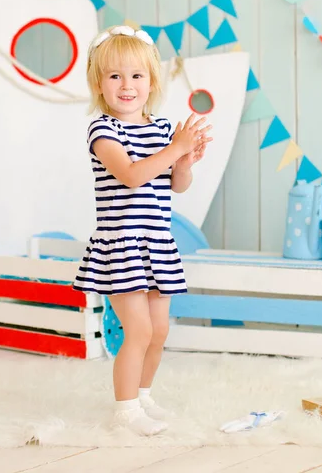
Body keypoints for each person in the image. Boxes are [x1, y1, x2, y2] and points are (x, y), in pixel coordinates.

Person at [73, 25, 212, 436]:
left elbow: (176, 184)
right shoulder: (104, 130)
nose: (126, 85)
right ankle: (125, 410)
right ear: (99, 83)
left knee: (160, 331)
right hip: (122, 248)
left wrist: (185, 160)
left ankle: (143, 395)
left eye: (136, 75)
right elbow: (132, 176)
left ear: (151, 82)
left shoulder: (163, 127)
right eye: (115, 76)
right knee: (139, 330)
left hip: (156, 244)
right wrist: (176, 149)